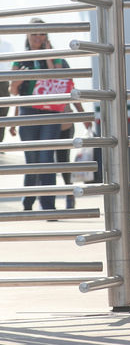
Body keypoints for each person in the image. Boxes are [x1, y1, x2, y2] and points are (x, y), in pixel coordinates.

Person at [8, 19, 72, 212]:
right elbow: (12, 90)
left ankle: (48, 206)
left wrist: (49, 56)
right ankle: (28, 202)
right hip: (28, 112)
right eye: (34, 33)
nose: (38, 37)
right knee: (32, 159)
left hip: (51, 112)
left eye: (42, 33)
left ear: (47, 36)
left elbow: (59, 80)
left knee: (46, 157)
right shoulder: (20, 58)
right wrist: (22, 79)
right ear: (27, 35)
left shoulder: (57, 58)